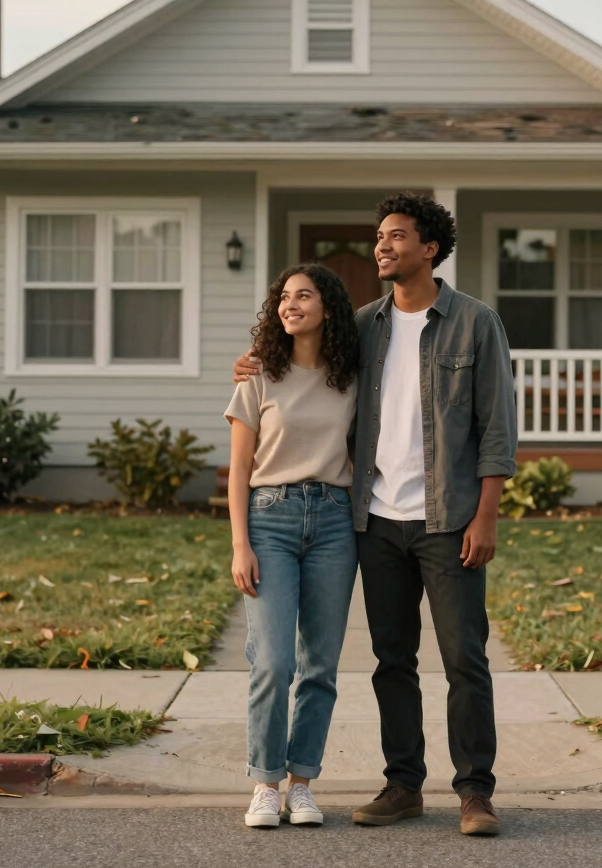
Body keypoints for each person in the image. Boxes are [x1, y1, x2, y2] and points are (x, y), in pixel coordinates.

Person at [235, 193, 517, 836]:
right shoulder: (365, 325)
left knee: (463, 657)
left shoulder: (476, 324)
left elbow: (498, 428)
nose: (382, 246)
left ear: (430, 248)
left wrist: (487, 516)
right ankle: (403, 785)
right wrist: (249, 365)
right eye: (378, 237)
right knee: (393, 660)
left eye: (396, 236)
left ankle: (475, 793)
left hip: (450, 520)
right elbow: (299, 358)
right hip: (375, 520)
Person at [225, 263, 360, 829]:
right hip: (269, 520)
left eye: (303, 296)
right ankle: (265, 783)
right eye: (284, 297)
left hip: (334, 522)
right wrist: (240, 544)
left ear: (327, 307)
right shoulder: (257, 375)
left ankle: (301, 784)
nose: (290, 304)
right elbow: (236, 471)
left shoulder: (352, 376)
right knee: (273, 662)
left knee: (320, 665)